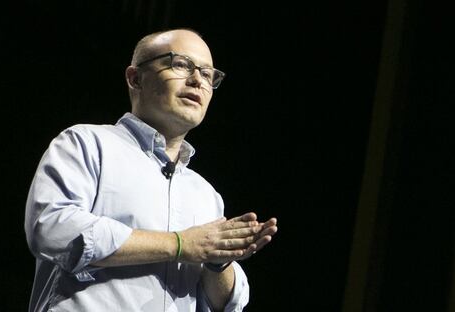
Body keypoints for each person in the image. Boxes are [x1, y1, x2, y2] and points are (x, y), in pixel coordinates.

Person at [24, 29, 278, 311]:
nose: (197, 80)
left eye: (207, 74)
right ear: (135, 78)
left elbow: (224, 305)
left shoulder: (207, 195)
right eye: (181, 64)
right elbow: (53, 228)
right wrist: (179, 244)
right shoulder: (87, 143)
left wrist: (218, 263)